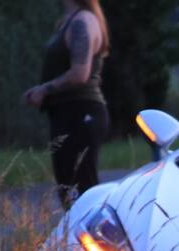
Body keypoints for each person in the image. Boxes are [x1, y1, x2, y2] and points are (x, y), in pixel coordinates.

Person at [23, 0, 111, 208]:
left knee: (83, 189)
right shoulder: (68, 21)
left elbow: (80, 74)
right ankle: (75, 229)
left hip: (81, 114)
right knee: (68, 190)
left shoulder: (83, 21)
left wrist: (44, 89)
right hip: (66, 114)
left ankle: (93, 229)